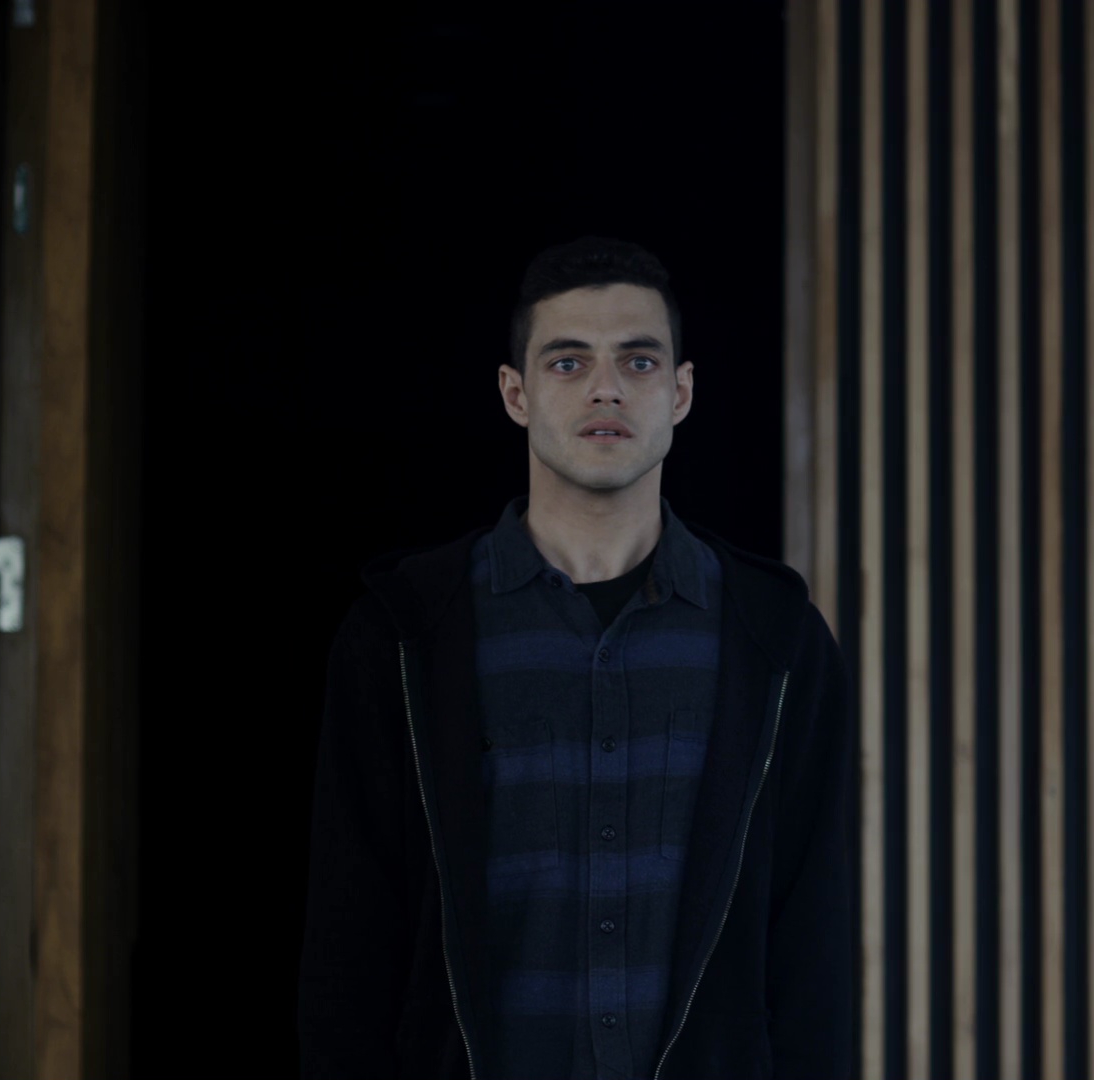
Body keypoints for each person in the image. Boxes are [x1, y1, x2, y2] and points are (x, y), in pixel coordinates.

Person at [297, 237, 856, 1080]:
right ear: (515, 393)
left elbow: (814, 953)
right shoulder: (406, 636)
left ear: (681, 391)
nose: (606, 388)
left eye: (638, 360)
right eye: (568, 362)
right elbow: (348, 946)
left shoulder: (774, 640)